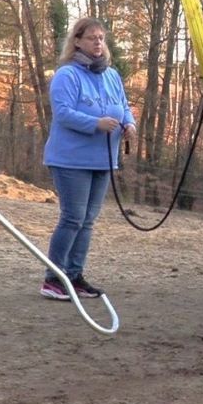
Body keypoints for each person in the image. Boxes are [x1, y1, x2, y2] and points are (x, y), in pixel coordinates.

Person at [40, 18, 136, 302]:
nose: (98, 43)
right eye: (92, 38)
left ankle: (74, 274)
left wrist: (129, 124)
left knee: (88, 220)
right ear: (77, 41)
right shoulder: (67, 75)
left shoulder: (111, 76)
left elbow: (124, 106)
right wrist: (95, 123)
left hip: (103, 159)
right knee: (72, 218)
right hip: (71, 159)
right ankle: (53, 278)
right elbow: (63, 112)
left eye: (101, 38)